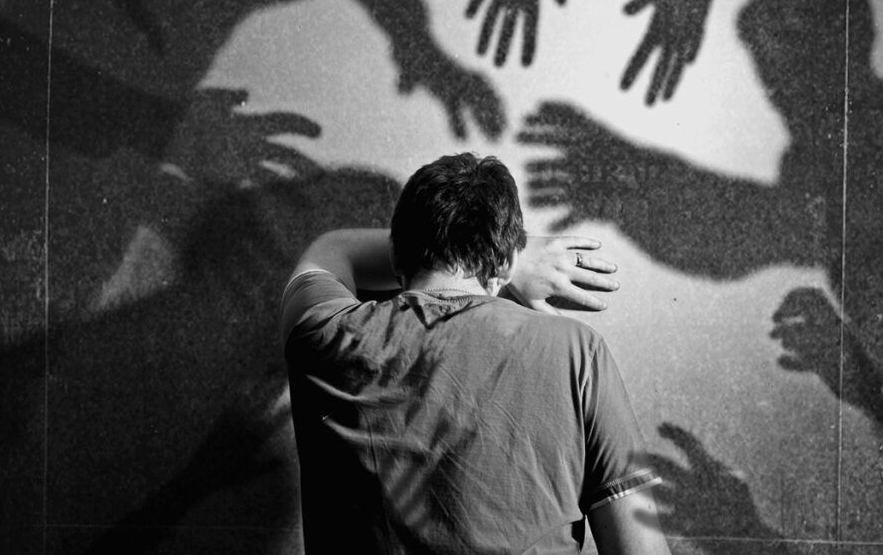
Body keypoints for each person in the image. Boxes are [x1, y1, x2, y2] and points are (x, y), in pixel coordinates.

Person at [281, 153, 671, 554]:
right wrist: (503, 256)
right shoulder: (577, 353)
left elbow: (329, 250)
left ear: (397, 254)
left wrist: (501, 255)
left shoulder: (323, 335)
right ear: (504, 261)